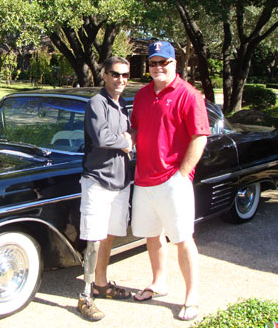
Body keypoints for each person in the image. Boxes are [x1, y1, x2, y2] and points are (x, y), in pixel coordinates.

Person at [130, 41, 210, 321]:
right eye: (153, 62)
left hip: (173, 181)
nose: (158, 67)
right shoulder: (141, 96)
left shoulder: (189, 95)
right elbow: (135, 129)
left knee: (183, 239)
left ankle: (191, 297)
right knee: (153, 236)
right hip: (144, 180)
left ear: (175, 64)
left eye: (163, 62)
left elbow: (200, 136)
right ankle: (158, 282)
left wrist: (181, 174)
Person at [77, 56, 133, 321]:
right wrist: (123, 142)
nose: (120, 79)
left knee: (109, 236)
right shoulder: (96, 103)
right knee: (94, 239)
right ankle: (85, 296)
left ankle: (101, 284)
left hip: (119, 184)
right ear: (105, 75)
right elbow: (100, 137)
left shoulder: (123, 107)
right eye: (115, 74)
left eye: (124, 75)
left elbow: (131, 140)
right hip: (97, 182)